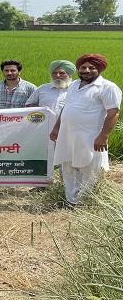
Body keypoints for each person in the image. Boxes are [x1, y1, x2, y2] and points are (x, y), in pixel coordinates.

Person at [51, 54, 122, 206]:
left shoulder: (108, 87)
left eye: (92, 68)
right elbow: (66, 107)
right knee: (68, 166)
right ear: (78, 69)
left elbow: (113, 113)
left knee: (89, 169)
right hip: (67, 135)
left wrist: (103, 136)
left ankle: (83, 202)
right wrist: (56, 128)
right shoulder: (74, 85)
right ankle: (70, 200)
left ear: (99, 69)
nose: (87, 70)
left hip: (90, 137)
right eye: (83, 67)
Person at [25, 60, 76, 169]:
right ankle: (45, 181)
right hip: (44, 130)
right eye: (54, 73)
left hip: (69, 130)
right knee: (45, 156)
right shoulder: (43, 88)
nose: (58, 76)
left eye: (62, 73)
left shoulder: (76, 89)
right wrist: (40, 110)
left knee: (68, 158)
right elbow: (29, 104)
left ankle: (66, 183)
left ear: (69, 74)